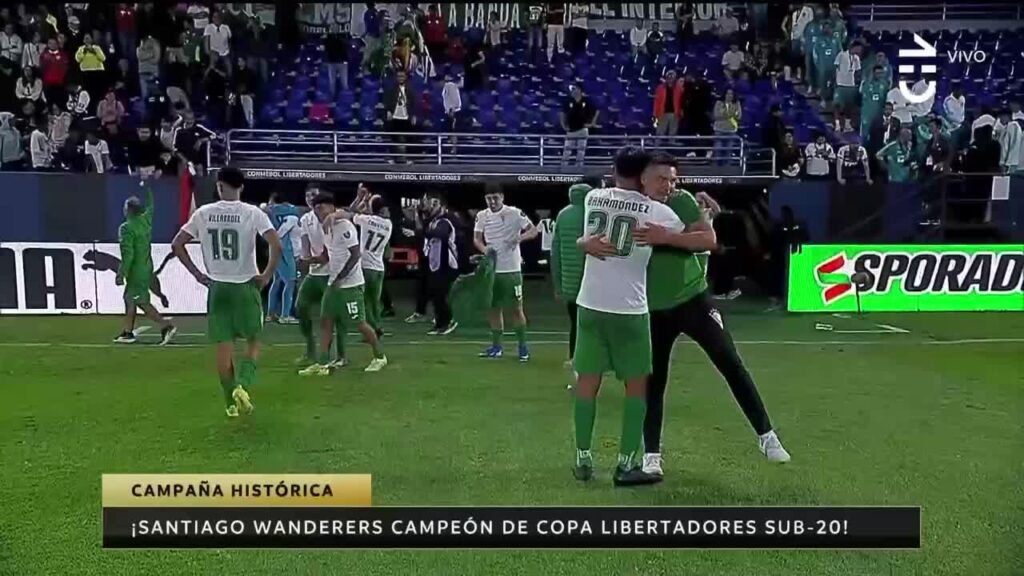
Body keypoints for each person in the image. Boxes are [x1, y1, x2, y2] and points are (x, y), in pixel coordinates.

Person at [640, 155, 790, 479]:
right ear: (644, 180)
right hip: (652, 309)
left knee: (730, 362)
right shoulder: (632, 207)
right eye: (662, 179)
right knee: (654, 382)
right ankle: (651, 455)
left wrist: (667, 237)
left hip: (694, 300)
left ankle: (767, 436)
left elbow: (708, 240)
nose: (669, 186)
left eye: (673, 179)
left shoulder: (681, 201)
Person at [570, 149, 683, 486]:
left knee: (587, 383)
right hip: (629, 309)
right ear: (644, 174)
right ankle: (625, 463)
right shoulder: (657, 210)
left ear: (613, 169)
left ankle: (582, 459)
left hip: (590, 303)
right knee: (636, 387)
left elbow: (588, 235)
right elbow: (683, 229)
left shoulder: (593, 197)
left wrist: (582, 242)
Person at [171, 167, 282, 418]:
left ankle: (229, 402)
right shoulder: (252, 212)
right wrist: (266, 275)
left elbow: (177, 244)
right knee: (253, 339)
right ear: (242, 186)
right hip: (245, 285)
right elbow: (277, 245)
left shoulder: (203, 213)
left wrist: (197, 274)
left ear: (219, 186)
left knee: (224, 346)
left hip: (218, 287)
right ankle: (242, 385)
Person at [298, 194, 388, 375]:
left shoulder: (344, 226)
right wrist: (311, 261)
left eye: (322, 207)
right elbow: (327, 254)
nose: (319, 212)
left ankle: (380, 357)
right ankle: (322, 364)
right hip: (334, 283)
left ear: (332, 207)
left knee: (359, 323)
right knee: (326, 321)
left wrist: (341, 277)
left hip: (351, 285)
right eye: (316, 209)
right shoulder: (326, 228)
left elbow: (355, 254)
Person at [474, 186, 538, 361]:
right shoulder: (482, 215)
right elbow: (477, 239)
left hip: (511, 270)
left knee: (516, 309)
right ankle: (497, 347)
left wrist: (518, 238)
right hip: (492, 271)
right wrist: (484, 249)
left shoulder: (515, 213)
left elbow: (533, 230)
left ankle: (523, 348)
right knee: (493, 308)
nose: (492, 202)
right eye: (489, 198)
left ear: (502, 197)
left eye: (495, 198)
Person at [114, 183, 177, 345]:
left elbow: (128, 255)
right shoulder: (146, 220)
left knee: (140, 301)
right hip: (147, 266)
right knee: (130, 299)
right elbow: (151, 205)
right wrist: (147, 187)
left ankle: (166, 326)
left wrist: (121, 273)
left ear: (129, 210)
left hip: (136, 271)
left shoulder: (126, 228)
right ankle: (128, 332)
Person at [551, 182, 590, 373]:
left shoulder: (563, 215)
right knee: (594, 326)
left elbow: (555, 253)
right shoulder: (594, 212)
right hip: (592, 282)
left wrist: (558, 285)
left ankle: (574, 358)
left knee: (576, 323)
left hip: (569, 283)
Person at [351, 185, 394, 337]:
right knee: (375, 301)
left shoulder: (366, 220)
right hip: (379, 267)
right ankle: (377, 326)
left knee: (363, 302)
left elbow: (352, 212)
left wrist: (360, 198)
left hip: (366, 266)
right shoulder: (389, 224)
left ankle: (374, 329)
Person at [422, 191, 460, 335]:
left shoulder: (445, 221)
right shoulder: (432, 222)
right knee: (435, 294)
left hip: (446, 263)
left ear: (443, 207)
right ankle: (440, 322)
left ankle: (447, 321)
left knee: (440, 294)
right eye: (431, 203)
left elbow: (441, 234)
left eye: (435, 203)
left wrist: (426, 232)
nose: (432, 206)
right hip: (436, 263)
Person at [265, 193, 300, 324]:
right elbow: (281, 233)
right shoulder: (291, 214)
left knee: (277, 280)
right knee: (290, 282)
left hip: (277, 248)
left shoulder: (274, 213)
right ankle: (285, 315)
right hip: (285, 250)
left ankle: (270, 314)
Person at [560, 82, 598, 166]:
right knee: (567, 151)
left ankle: (578, 168)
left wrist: (592, 123)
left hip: (582, 129)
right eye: (572, 89)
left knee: (581, 151)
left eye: (575, 89)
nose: (573, 91)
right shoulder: (568, 101)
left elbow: (596, 110)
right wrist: (563, 125)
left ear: (580, 90)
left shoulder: (586, 101)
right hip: (571, 130)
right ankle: (564, 168)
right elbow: (562, 114)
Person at [832, 43, 862, 132]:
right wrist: (834, 81)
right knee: (837, 105)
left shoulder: (856, 58)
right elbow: (835, 67)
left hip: (851, 85)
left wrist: (857, 83)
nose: (859, 50)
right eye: (858, 48)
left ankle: (847, 125)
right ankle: (837, 124)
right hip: (840, 84)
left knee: (849, 106)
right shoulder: (841, 54)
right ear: (853, 47)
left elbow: (858, 72)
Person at [859, 65, 889, 140]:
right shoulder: (866, 84)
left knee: (878, 135)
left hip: (879, 114)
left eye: (881, 73)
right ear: (873, 73)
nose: (879, 75)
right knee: (865, 135)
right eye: (877, 73)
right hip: (867, 114)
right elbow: (862, 96)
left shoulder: (885, 85)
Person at [653, 70, 682, 137]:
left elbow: (681, 101)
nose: (670, 79)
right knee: (660, 132)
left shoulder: (679, 88)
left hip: (674, 114)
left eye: (672, 77)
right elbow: (656, 102)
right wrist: (655, 114)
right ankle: (658, 143)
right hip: (662, 113)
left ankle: (671, 143)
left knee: (673, 133)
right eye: (669, 77)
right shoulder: (660, 88)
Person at [996, 109, 1022, 173]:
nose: (1000, 119)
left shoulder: (1013, 126)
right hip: (1007, 163)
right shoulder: (1005, 128)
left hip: (1010, 164)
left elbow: (1012, 145)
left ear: (1007, 116)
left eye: (1001, 117)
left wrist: (1006, 163)